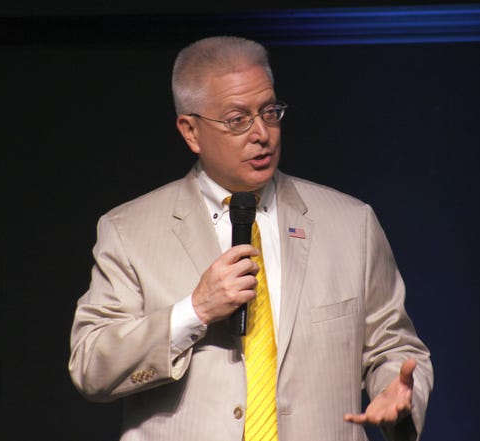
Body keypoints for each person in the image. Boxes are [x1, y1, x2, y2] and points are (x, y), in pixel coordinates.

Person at [69, 35, 433, 441]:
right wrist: (194, 310)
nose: (262, 133)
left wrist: (396, 397)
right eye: (238, 120)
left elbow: (394, 348)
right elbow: (91, 367)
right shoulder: (129, 230)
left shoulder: (351, 224)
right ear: (191, 131)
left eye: (270, 112)